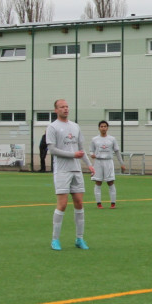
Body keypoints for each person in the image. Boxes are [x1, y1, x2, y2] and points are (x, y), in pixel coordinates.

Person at [46, 98, 95, 250]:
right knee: (62, 204)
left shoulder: (75, 126)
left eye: (67, 107)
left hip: (76, 170)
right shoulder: (52, 127)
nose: (65, 109)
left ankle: (79, 239)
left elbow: (81, 148)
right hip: (62, 170)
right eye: (62, 107)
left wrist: (89, 165)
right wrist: (72, 155)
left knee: (79, 203)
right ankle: (55, 239)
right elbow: (52, 150)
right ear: (56, 110)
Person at [89, 120, 126, 208]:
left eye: (105, 126)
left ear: (107, 128)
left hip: (108, 161)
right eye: (101, 126)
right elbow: (91, 150)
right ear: (99, 128)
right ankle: (99, 203)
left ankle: (113, 203)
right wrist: (92, 155)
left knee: (110, 182)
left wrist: (122, 163)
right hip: (98, 162)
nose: (103, 128)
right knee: (98, 182)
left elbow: (117, 151)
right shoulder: (94, 139)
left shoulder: (112, 139)